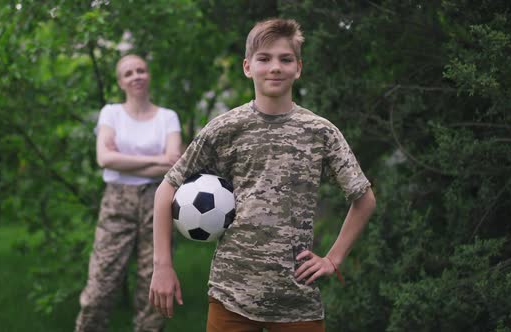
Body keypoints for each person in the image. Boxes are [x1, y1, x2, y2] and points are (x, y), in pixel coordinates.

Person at [149, 18, 376, 332]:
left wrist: (333, 258)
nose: (275, 67)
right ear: (247, 66)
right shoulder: (225, 128)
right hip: (232, 295)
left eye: (285, 59)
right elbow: (166, 189)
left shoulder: (320, 132)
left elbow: (364, 199)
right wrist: (162, 266)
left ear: (298, 67)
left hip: (298, 299)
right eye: (264, 59)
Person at [76, 54, 182, 332]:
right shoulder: (111, 113)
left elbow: (175, 164)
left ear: (148, 75)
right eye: (128, 73)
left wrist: (124, 159)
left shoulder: (167, 117)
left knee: (154, 288)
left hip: (158, 201)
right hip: (117, 203)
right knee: (99, 287)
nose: (136, 76)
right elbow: (105, 159)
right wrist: (157, 161)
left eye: (141, 70)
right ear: (120, 81)